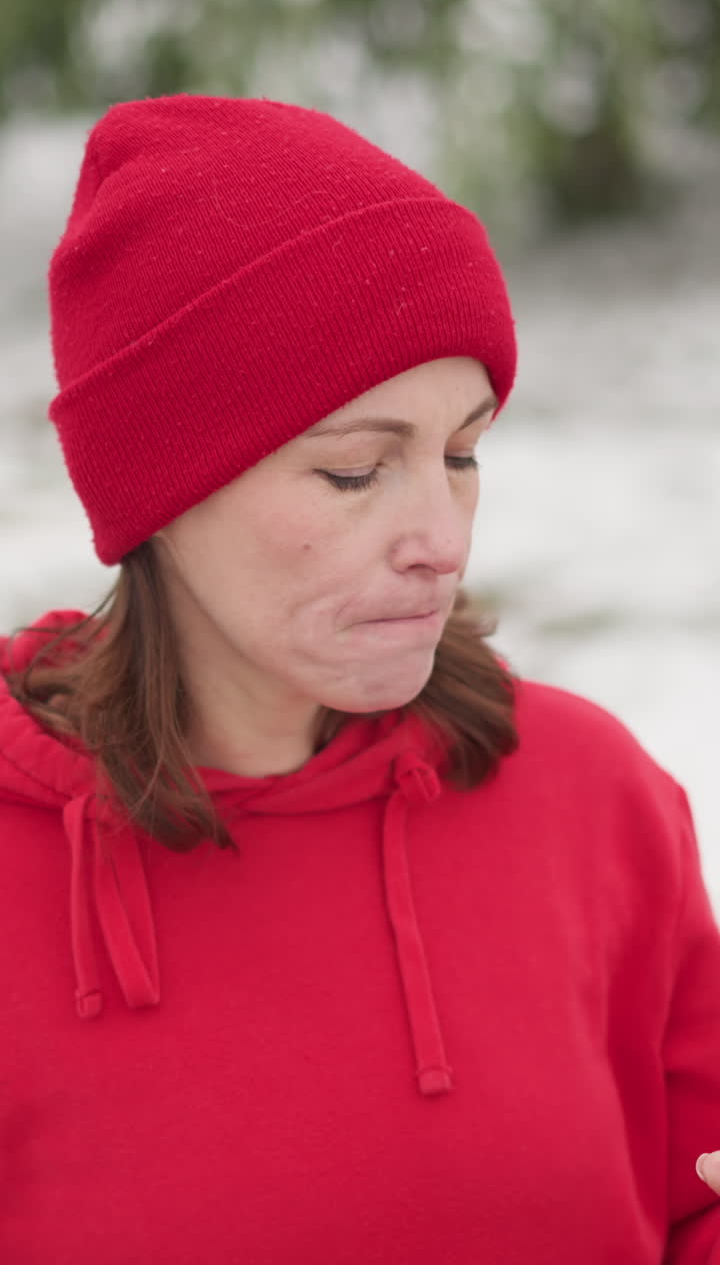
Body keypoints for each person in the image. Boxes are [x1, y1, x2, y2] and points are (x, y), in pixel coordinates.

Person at [0, 93, 718, 1265]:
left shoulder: (596, 802)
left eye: (463, 451)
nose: (440, 533)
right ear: (159, 489)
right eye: (352, 471)